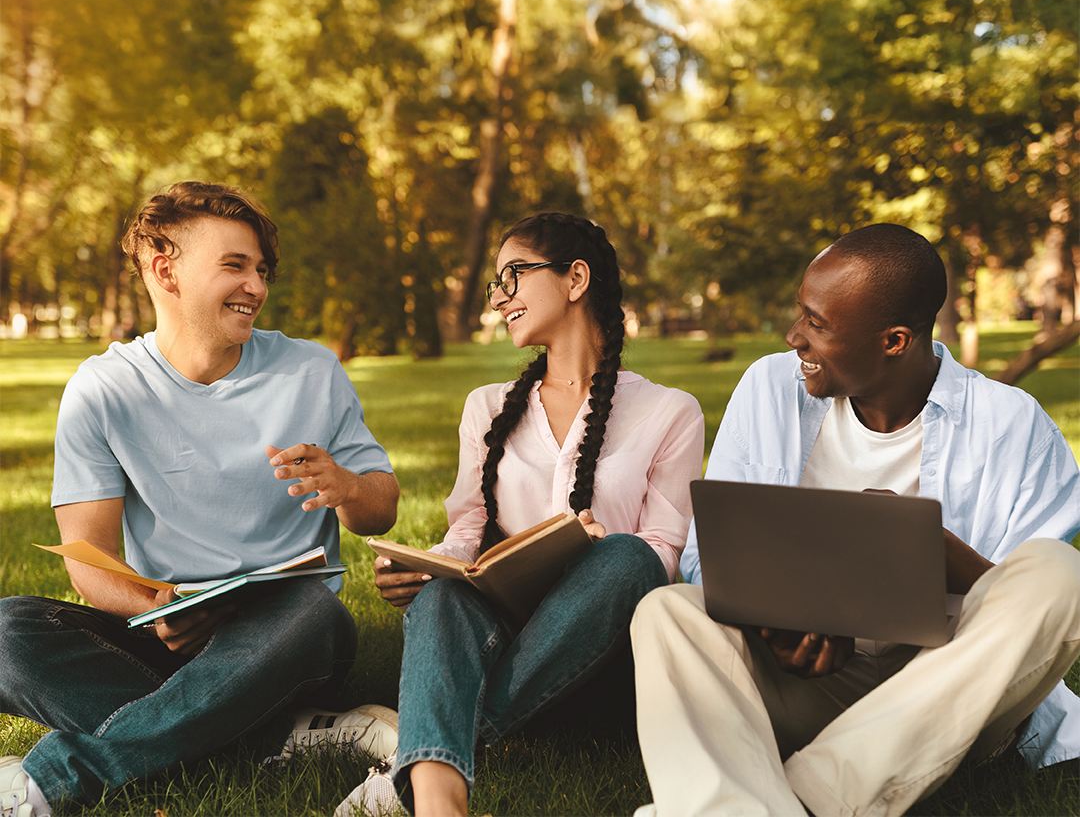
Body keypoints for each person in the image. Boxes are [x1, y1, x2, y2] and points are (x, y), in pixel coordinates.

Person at [630, 223, 1080, 817]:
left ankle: (808, 795)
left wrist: (940, 558)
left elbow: (1031, 617)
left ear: (894, 340)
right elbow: (704, 559)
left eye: (817, 324)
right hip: (800, 681)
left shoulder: (1013, 425)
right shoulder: (769, 388)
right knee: (667, 611)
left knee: (1058, 570)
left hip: (944, 696)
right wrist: (778, 627)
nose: (795, 337)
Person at [0, 182, 401, 816]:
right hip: (166, 635)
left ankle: (56, 777)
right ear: (166, 270)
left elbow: (382, 507)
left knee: (312, 612)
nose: (258, 288)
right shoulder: (104, 389)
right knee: (6, 630)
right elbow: (87, 555)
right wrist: (155, 606)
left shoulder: (312, 371)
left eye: (261, 270)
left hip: (284, 631)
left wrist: (348, 488)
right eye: (235, 266)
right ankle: (286, 735)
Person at [336, 212, 705, 817]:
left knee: (627, 554)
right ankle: (436, 804)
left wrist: (589, 546)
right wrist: (432, 567)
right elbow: (468, 527)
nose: (499, 297)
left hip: (601, 660)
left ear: (575, 278)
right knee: (440, 598)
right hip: (504, 630)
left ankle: (427, 744)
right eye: (495, 284)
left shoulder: (669, 412)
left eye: (513, 275)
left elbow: (665, 553)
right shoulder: (487, 408)